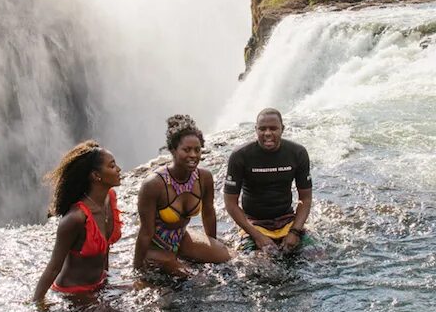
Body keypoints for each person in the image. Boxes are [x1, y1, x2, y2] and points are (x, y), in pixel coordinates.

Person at [134, 115, 231, 276]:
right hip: (156, 248)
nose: (193, 155)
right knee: (194, 279)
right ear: (173, 150)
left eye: (197, 150)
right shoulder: (154, 185)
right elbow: (145, 232)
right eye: (186, 150)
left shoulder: (204, 177)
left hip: (181, 238)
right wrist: (137, 271)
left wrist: (212, 244)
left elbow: (208, 213)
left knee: (227, 258)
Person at [33, 141, 123, 302]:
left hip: (99, 284)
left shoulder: (110, 198)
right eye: (112, 166)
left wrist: (107, 282)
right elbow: (54, 267)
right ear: (96, 176)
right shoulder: (76, 218)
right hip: (73, 293)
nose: (119, 169)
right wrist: (38, 303)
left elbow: (105, 249)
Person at [224, 108, 312, 253]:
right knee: (259, 266)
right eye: (262, 129)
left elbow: (306, 199)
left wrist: (295, 231)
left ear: (282, 129)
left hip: (287, 220)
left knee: (316, 255)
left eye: (273, 128)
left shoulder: (297, 153)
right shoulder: (240, 156)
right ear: (256, 129)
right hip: (253, 223)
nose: (267, 133)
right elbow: (230, 204)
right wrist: (257, 236)